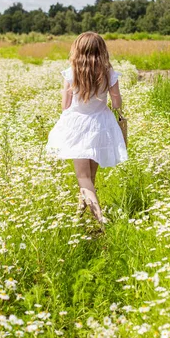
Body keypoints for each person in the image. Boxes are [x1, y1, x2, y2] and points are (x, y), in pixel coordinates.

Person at [46, 31, 128, 228]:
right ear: (101, 50)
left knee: (83, 178)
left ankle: (101, 221)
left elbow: (65, 105)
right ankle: (79, 216)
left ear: (78, 49)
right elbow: (117, 104)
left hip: (77, 127)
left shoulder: (71, 72)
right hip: (101, 126)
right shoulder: (108, 73)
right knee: (89, 178)